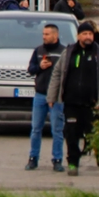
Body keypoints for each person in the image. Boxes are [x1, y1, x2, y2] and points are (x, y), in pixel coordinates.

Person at [46, 21, 99, 176]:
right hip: (72, 103)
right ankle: (73, 164)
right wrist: (52, 96)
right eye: (85, 34)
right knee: (71, 135)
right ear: (78, 36)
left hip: (94, 104)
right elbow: (57, 73)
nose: (88, 37)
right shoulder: (69, 52)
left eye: (90, 34)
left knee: (97, 136)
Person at [25, 23, 66, 171]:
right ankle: (33, 158)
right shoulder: (38, 51)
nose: (44, 37)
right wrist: (39, 67)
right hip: (40, 95)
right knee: (36, 128)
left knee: (57, 129)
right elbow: (30, 70)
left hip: (56, 97)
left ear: (55, 35)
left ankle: (57, 159)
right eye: (43, 34)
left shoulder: (64, 52)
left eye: (47, 34)